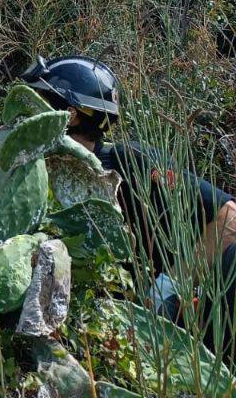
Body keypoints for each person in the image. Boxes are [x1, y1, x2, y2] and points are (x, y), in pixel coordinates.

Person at [20, 56, 236, 332]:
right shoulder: (32, 176)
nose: (26, 114)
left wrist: (168, 288)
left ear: (70, 114)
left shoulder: (132, 162)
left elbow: (228, 216)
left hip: (185, 318)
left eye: (38, 102)